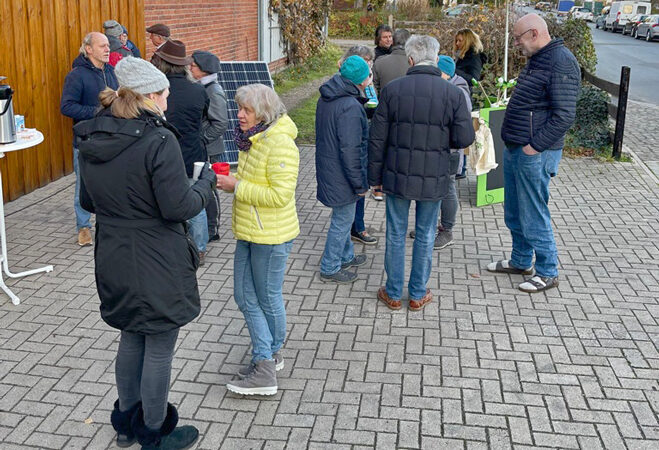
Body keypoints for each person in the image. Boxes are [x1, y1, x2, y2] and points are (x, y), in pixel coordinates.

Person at [74, 56, 215, 450]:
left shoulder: (92, 136)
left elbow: (88, 199)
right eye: (165, 95)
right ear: (150, 95)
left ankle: (125, 424)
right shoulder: (158, 139)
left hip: (114, 253)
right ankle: (154, 431)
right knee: (159, 344)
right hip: (156, 256)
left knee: (131, 335)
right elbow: (178, 207)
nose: (168, 103)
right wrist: (203, 185)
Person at [368, 35, 474, 311]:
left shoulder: (392, 90)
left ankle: (392, 293)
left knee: (395, 232)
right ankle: (416, 294)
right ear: (436, 59)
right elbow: (464, 137)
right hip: (434, 175)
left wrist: (374, 180)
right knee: (426, 234)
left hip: (397, 173)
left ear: (411, 60)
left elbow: (377, 139)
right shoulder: (451, 92)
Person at [215, 84, 299, 396]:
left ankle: (266, 362)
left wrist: (236, 186)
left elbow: (280, 196)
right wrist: (232, 184)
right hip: (250, 230)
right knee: (244, 295)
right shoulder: (254, 139)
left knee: (265, 297)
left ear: (263, 112)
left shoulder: (279, 144)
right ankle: (269, 355)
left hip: (271, 235)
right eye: (239, 108)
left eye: (246, 110)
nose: (239, 115)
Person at [487, 14, 580, 293]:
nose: (516, 43)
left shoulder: (561, 62)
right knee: (514, 210)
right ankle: (520, 261)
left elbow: (564, 116)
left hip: (534, 152)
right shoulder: (538, 59)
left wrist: (534, 147)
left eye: (518, 38)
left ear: (535, 34)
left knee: (533, 213)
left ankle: (548, 271)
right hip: (517, 147)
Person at [152, 40, 211, 265]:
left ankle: (168, 246)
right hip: (193, 154)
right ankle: (200, 248)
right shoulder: (198, 90)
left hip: (163, 154)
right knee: (195, 202)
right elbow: (204, 118)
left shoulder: (155, 92)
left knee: (163, 201)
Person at [316, 56, 372, 284]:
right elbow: (351, 149)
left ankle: (346, 255)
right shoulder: (349, 106)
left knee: (343, 216)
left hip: (330, 169)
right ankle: (330, 266)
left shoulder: (329, 97)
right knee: (342, 220)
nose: (371, 77)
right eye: (369, 74)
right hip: (342, 174)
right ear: (360, 79)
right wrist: (360, 184)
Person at [60, 32, 118, 247]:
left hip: (112, 138)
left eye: (108, 46)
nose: (107, 49)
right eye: (102, 46)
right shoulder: (76, 75)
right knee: (83, 186)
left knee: (112, 182)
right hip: (86, 141)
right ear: (88, 49)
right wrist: (97, 111)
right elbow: (66, 107)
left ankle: (111, 222)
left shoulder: (111, 71)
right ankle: (83, 227)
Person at [337, 46, 379, 246]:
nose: (368, 65)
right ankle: (356, 228)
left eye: (370, 61)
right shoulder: (346, 87)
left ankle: (355, 226)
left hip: (364, 134)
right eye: (364, 60)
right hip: (354, 145)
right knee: (356, 186)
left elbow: (372, 104)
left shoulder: (366, 81)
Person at [190, 50, 229, 242]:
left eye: (194, 66)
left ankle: (213, 228)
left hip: (210, 149)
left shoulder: (213, 91)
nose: (190, 68)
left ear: (204, 71)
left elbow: (221, 123)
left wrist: (203, 139)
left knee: (210, 189)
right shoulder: (202, 87)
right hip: (205, 147)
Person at [373, 28, 410, 95]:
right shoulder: (416, 63)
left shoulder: (379, 62)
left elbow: (374, 88)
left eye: (389, 37)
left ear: (392, 41)